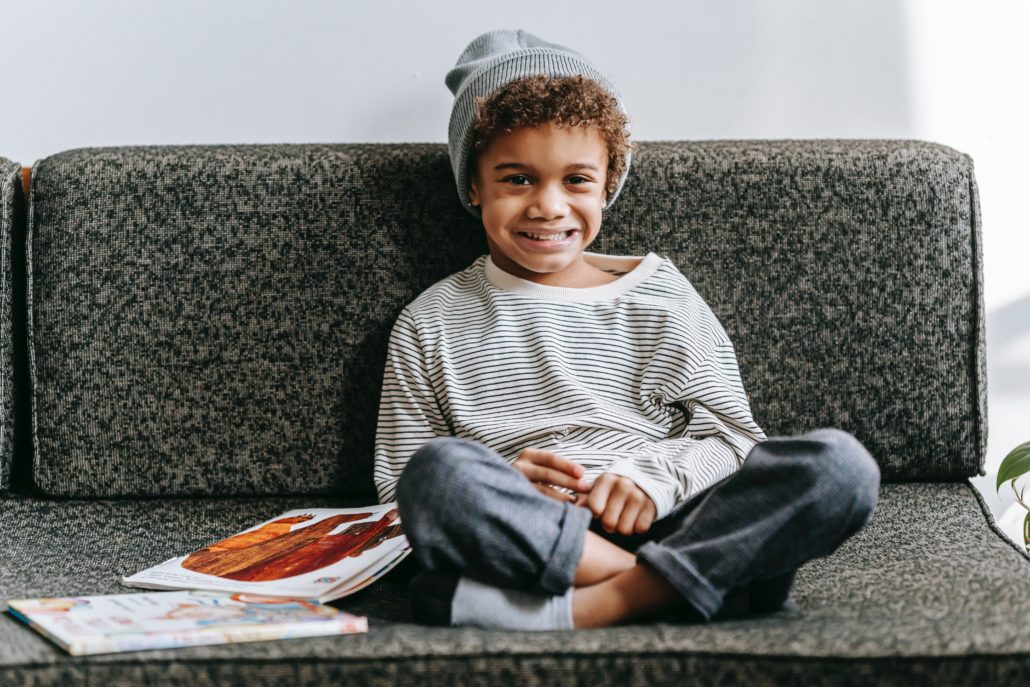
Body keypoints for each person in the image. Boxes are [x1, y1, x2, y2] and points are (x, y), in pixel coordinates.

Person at [373, 29, 881, 630]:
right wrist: (507, 485)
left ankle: (588, 608)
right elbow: (396, 494)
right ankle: (685, 592)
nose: (548, 206)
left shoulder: (661, 296)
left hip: (676, 522)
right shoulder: (430, 321)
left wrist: (650, 481)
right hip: (528, 537)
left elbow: (736, 441)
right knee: (438, 474)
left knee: (840, 466)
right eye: (517, 179)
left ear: (609, 180)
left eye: (576, 180)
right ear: (474, 185)